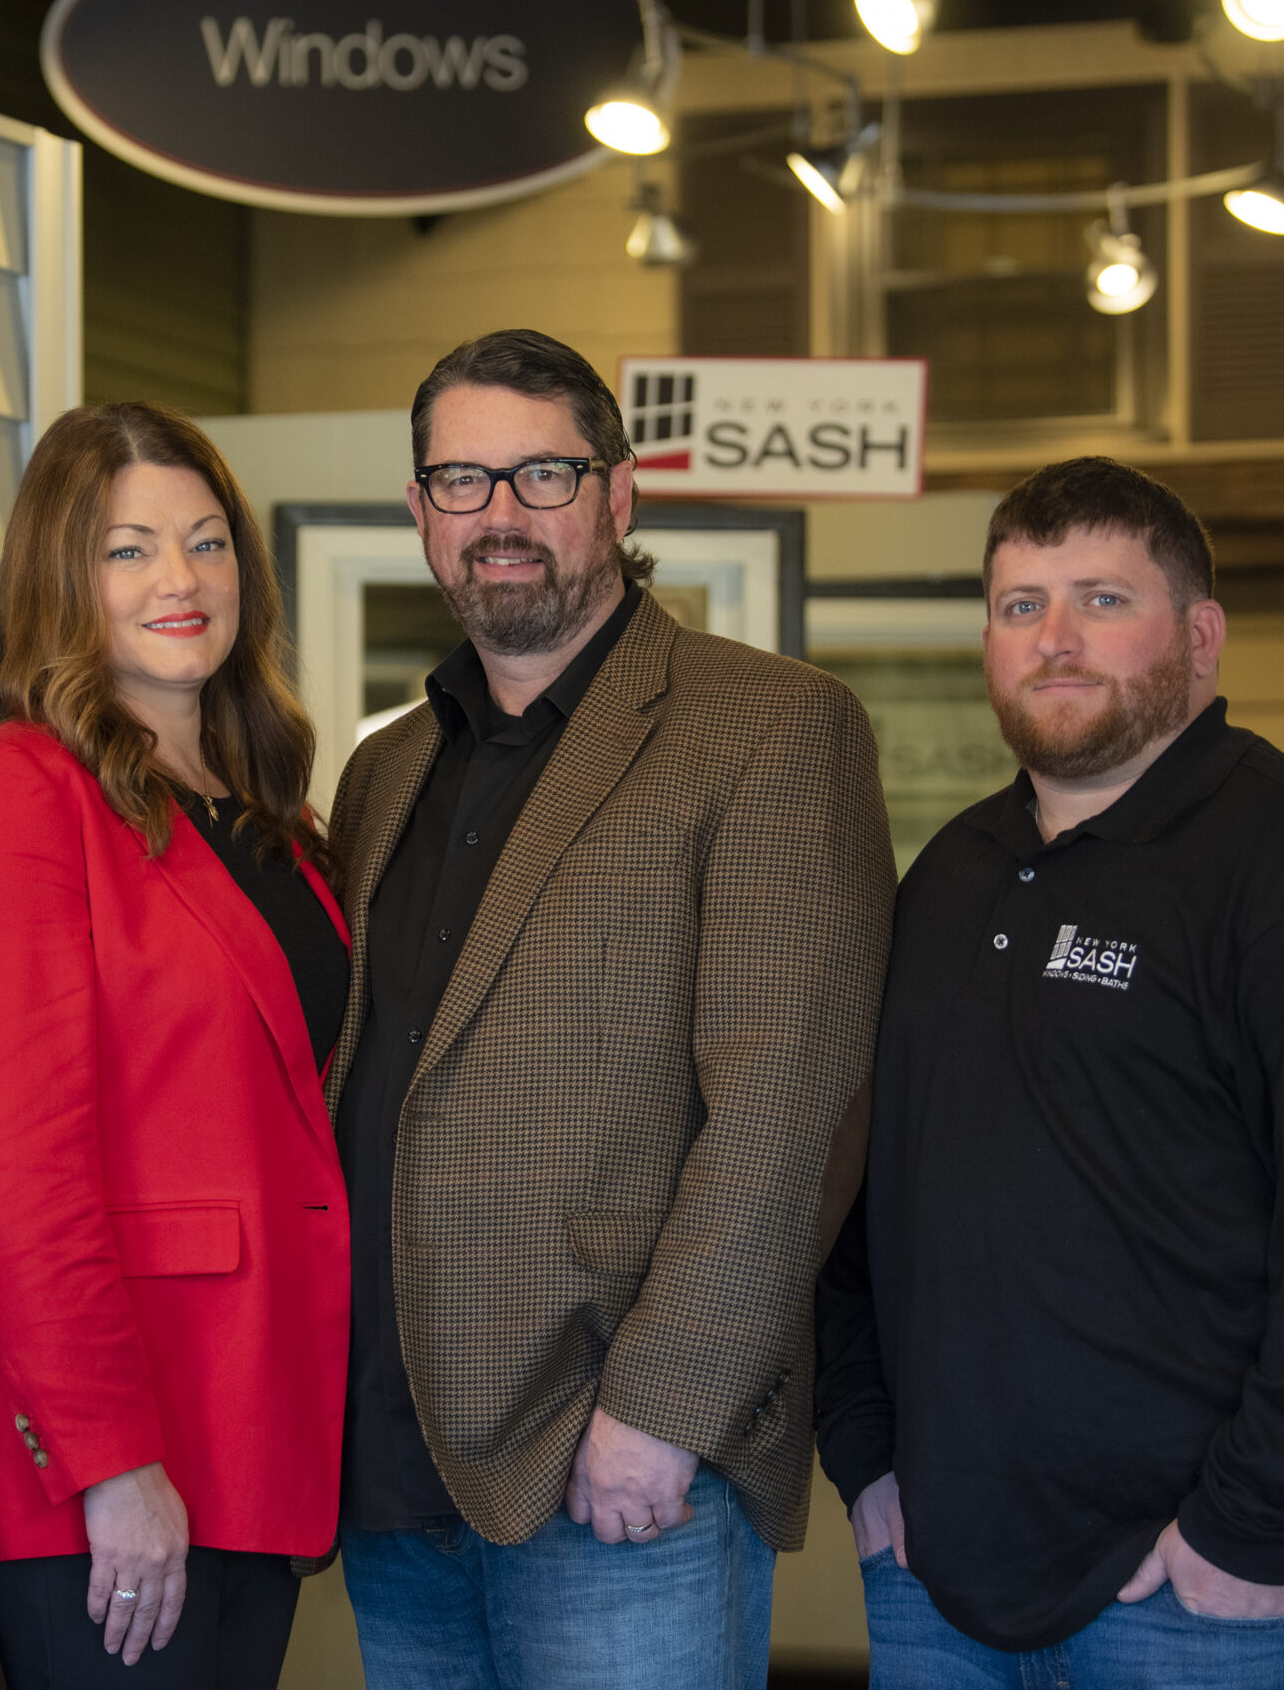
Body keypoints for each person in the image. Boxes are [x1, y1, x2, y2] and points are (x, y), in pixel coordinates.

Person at [816, 456, 1284, 1688]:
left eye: (1103, 599)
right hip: (942, 1583)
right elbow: (861, 1188)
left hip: (1220, 1598)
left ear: (1201, 637)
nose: (1054, 639)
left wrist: (1247, 1527)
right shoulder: (949, 878)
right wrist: (866, 1455)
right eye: (1021, 605)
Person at [321, 329, 897, 1690]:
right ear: (418, 509)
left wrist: (663, 1408)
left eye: (543, 474)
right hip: (393, 1465)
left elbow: (790, 1108)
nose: (499, 514)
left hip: (619, 1468)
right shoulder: (386, 770)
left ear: (619, 495)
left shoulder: (769, 726)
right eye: (460, 479)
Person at [0, 402, 351, 1690]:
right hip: (112, 1456)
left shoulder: (267, 814)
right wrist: (108, 1459)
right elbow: (9, 1160)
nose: (181, 579)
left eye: (207, 542)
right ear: (60, 578)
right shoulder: (12, 789)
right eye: (128, 549)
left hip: (255, 1420)